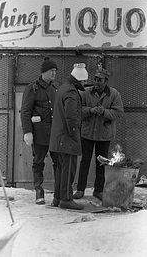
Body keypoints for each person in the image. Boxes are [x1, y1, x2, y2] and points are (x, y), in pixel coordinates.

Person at [73, 67, 124, 201]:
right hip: (87, 134)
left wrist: (104, 112)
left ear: (106, 81)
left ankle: (99, 190)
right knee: (85, 161)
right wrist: (91, 110)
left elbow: (118, 113)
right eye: (95, 79)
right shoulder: (85, 93)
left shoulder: (114, 94)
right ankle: (80, 189)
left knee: (101, 164)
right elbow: (78, 110)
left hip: (104, 135)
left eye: (99, 80)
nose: (96, 82)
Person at [49, 63, 88, 210]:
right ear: (79, 79)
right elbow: (71, 115)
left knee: (60, 169)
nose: (84, 84)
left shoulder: (63, 87)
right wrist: (73, 133)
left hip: (58, 137)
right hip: (67, 138)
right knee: (68, 169)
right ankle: (66, 199)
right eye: (83, 81)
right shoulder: (71, 92)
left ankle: (57, 198)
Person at [21, 57, 58, 205]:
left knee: (59, 162)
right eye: (51, 71)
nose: (54, 73)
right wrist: (27, 132)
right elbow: (25, 112)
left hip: (55, 134)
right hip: (39, 134)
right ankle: (39, 191)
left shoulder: (56, 88)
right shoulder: (32, 88)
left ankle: (59, 191)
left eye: (55, 71)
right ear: (44, 72)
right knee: (38, 163)